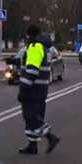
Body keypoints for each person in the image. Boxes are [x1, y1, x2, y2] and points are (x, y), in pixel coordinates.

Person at [17, 24, 60, 155]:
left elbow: (32, 70)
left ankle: (50, 137)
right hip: (41, 88)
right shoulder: (45, 48)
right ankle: (32, 145)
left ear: (29, 35)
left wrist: (23, 89)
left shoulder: (35, 47)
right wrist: (14, 61)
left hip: (33, 89)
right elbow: (32, 62)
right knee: (33, 116)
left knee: (31, 116)